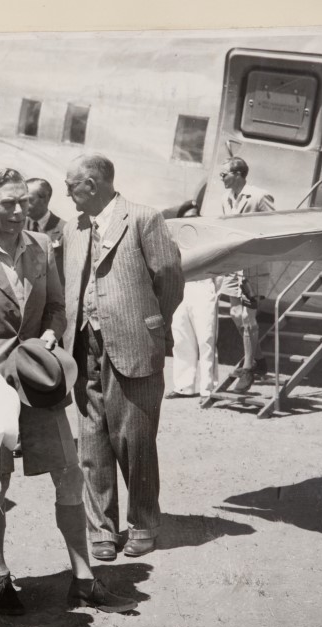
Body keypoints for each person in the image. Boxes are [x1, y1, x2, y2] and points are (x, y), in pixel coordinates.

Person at [0, 167, 137, 615]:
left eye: (23, 202)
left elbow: (56, 306)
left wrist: (53, 335)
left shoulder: (40, 245)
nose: (19, 211)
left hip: (39, 380)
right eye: (8, 203)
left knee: (69, 473)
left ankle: (83, 578)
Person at [61, 154, 184, 560]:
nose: (66, 193)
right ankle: (102, 529)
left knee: (135, 439)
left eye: (71, 185)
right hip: (85, 346)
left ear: (92, 185)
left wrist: (151, 325)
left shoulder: (144, 219)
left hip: (134, 346)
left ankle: (145, 523)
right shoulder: (74, 228)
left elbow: (169, 278)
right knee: (92, 441)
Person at [218, 157, 275, 392]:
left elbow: (274, 226)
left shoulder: (259, 197)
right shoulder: (226, 199)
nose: (222, 178)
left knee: (248, 318)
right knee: (234, 313)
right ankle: (260, 360)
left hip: (251, 266)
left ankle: (249, 368)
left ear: (239, 174)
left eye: (225, 175)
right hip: (234, 264)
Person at [167, 278, 221, 399]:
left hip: (203, 283)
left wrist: (214, 289)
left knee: (206, 339)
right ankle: (184, 386)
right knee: (181, 338)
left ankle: (208, 388)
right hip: (181, 285)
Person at [25, 177, 67, 284]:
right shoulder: (18, 227)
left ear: (45, 199)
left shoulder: (64, 229)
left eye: (29, 200)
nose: (24, 205)